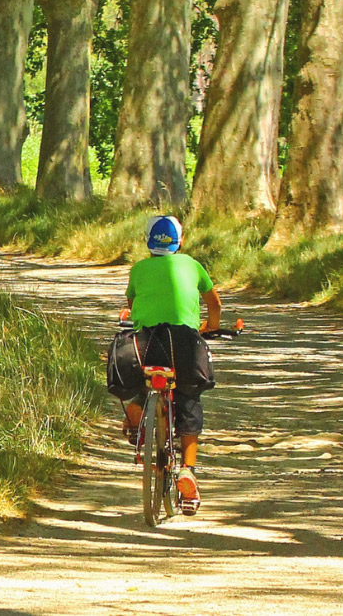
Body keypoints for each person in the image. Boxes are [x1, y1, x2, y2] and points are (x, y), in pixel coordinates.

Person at [117, 215, 222, 515]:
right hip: (184, 342)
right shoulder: (192, 265)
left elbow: (133, 302)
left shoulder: (139, 269)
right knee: (189, 396)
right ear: (181, 242)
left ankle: (138, 410)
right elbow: (214, 304)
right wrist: (210, 327)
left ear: (147, 242)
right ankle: (188, 470)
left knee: (144, 376)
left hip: (148, 341)